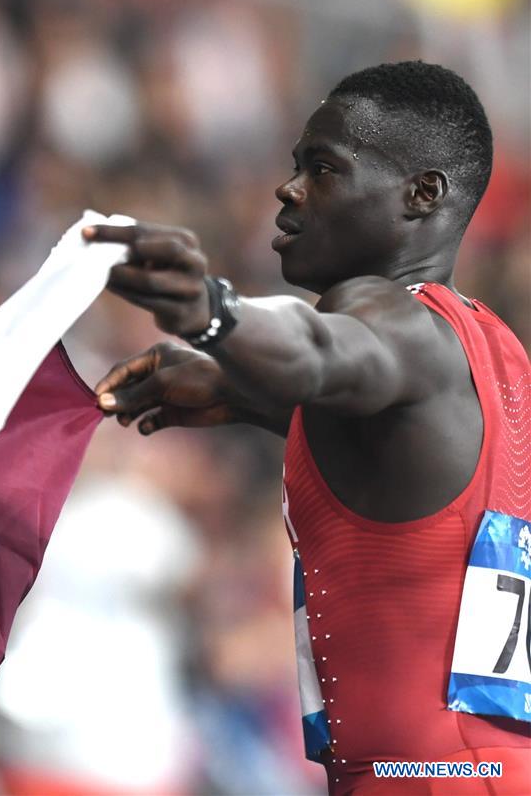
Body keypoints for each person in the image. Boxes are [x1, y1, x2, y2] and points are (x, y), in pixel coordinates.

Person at [82, 61, 530, 794]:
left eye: (322, 168)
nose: (288, 191)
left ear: (422, 194)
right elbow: (393, 455)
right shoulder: (492, 350)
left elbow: (326, 348)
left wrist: (215, 311)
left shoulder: (387, 317)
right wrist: (248, 392)